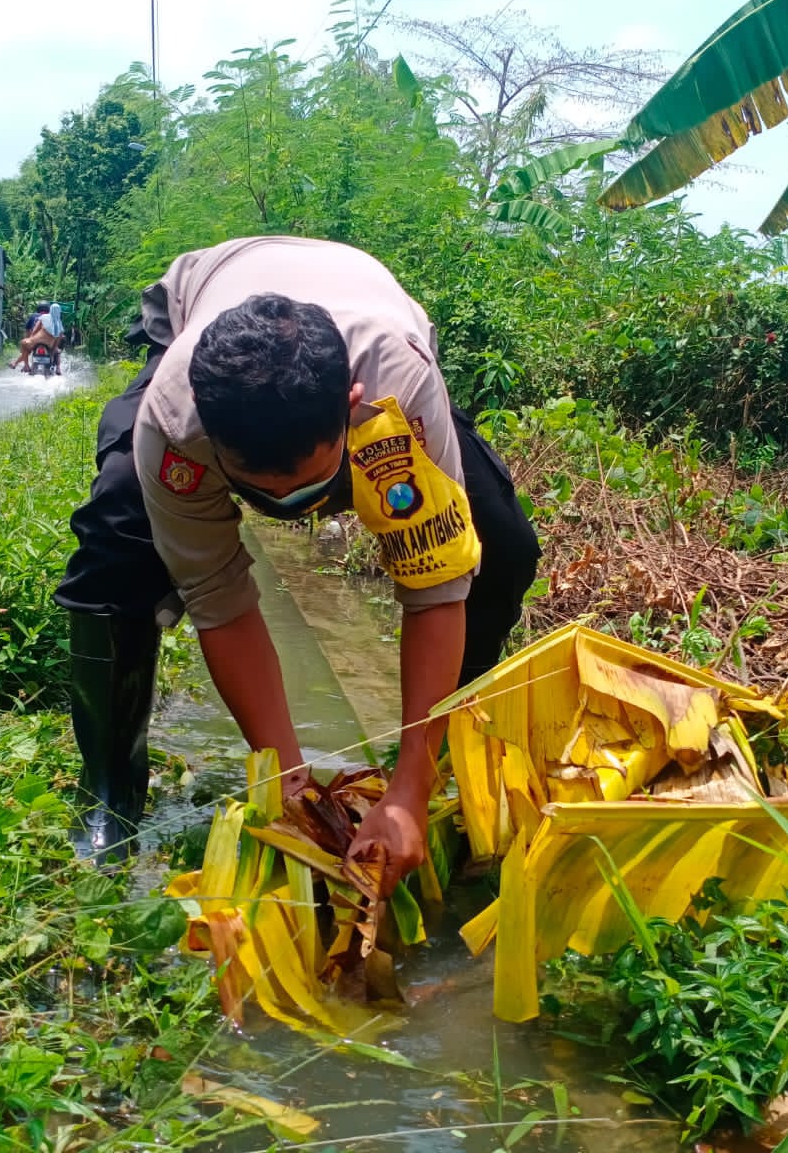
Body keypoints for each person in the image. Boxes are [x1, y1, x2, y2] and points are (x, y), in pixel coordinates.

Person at [54, 236, 540, 892]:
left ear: (351, 407)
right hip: (206, 298)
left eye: (306, 485)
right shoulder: (174, 420)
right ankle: (108, 794)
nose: (286, 505)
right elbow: (218, 599)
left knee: (500, 549)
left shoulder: (393, 396)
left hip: (369, 337)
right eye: (260, 487)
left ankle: (436, 768)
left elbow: (436, 590)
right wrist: (283, 772)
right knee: (115, 540)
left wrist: (406, 789)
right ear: (209, 439)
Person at [14, 303, 63, 373]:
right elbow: (59, 336)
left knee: (24, 345)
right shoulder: (59, 321)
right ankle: (58, 368)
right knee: (57, 352)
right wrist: (55, 346)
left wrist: (30, 338)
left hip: (37, 341)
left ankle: (26, 366)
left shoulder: (42, 317)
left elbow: (34, 330)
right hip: (50, 344)